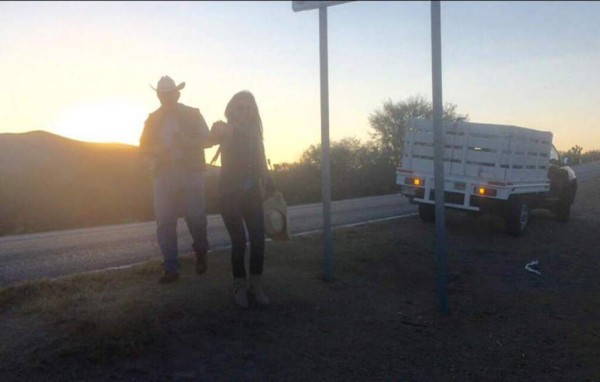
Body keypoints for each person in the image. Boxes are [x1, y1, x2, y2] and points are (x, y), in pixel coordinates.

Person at [139, 76, 216, 283]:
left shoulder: (193, 113)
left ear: (177, 94)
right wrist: (157, 150)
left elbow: (209, 140)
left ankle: (201, 251)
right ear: (158, 96)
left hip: (190, 171)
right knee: (165, 221)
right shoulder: (152, 119)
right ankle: (171, 268)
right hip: (163, 174)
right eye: (162, 94)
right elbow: (142, 149)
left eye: (169, 94)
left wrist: (188, 142)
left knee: (196, 217)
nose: (166, 97)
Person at [210, 90, 274, 308]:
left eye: (249, 107)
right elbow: (210, 138)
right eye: (240, 107)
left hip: (252, 193)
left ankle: (255, 285)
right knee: (239, 241)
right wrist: (213, 130)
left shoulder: (255, 132)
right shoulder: (225, 128)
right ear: (231, 108)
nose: (244, 111)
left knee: (258, 239)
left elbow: (261, 160)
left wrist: (268, 181)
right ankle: (239, 285)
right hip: (229, 193)